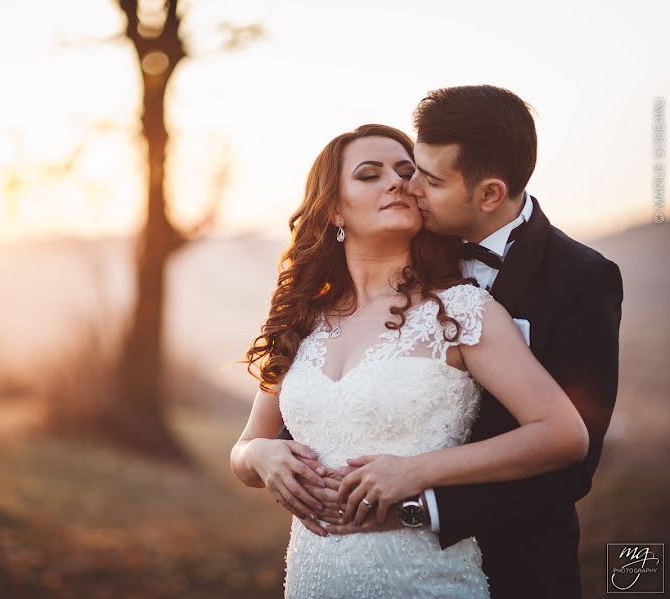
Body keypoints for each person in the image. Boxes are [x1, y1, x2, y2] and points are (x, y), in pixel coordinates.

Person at [230, 120, 593, 598]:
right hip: (314, 577)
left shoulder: (460, 309)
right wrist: (261, 455)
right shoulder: (301, 320)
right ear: (335, 209)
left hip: (426, 577)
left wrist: (416, 472)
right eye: (369, 174)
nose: (397, 182)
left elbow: (564, 434)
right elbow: (243, 450)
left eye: (406, 171)